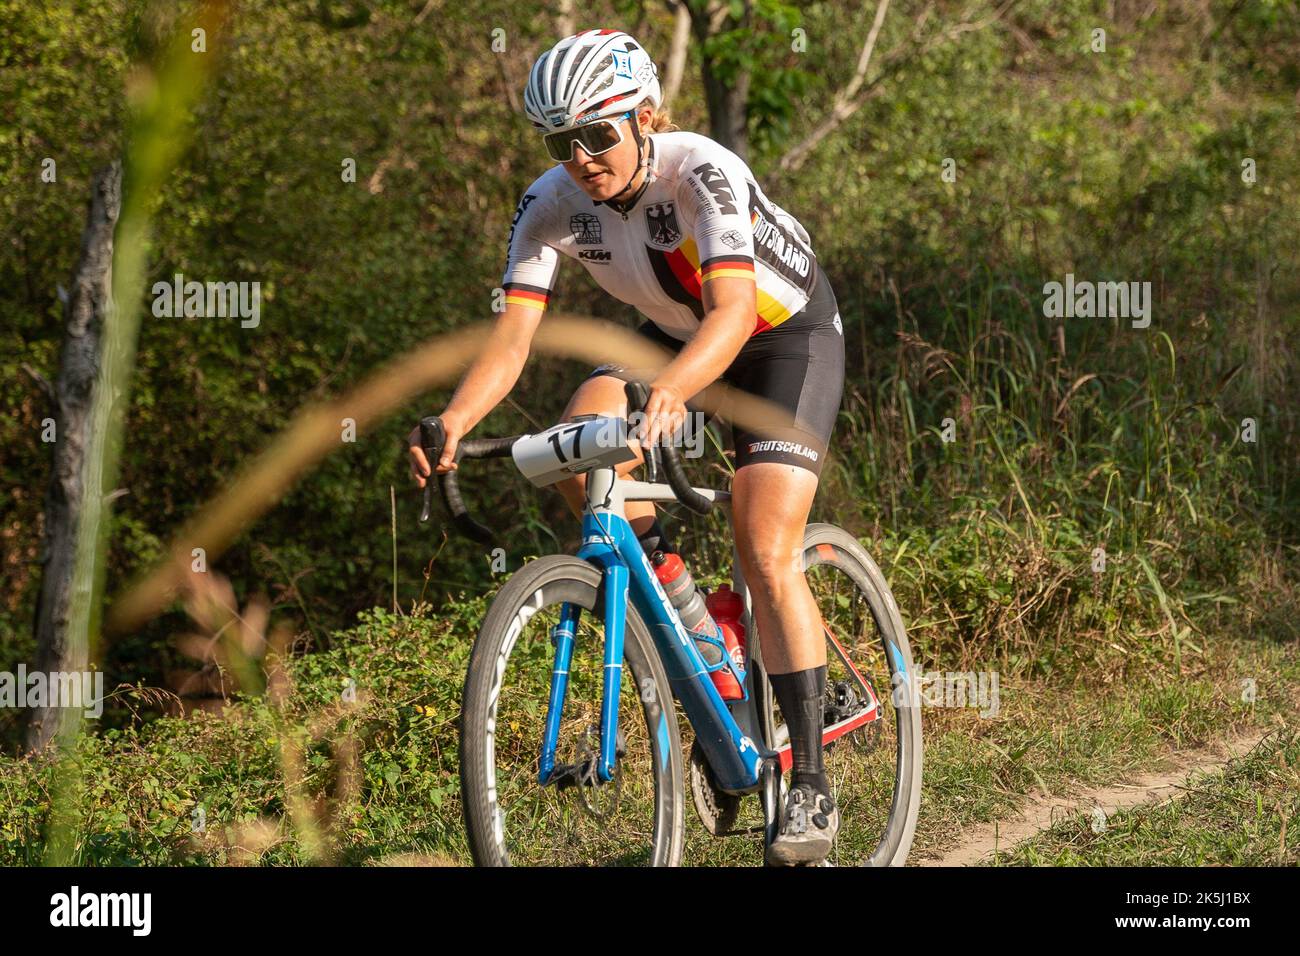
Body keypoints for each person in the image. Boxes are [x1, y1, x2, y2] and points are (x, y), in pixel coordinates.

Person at [408, 29, 846, 866]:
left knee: (763, 541)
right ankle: (706, 644)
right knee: (576, 449)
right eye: (559, 142)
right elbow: (510, 346)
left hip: (781, 336)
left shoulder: (702, 170)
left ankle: (812, 785)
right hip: (678, 336)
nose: (580, 158)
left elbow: (730, 315)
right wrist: (457, 419)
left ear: (646, 117)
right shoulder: (547, 205)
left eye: (597, 135)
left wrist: (676, 393)